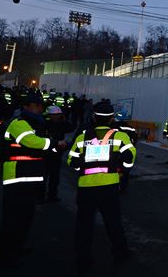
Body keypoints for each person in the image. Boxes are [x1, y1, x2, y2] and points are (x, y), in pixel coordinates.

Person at [0, 92, 65, 268]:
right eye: (37, 105)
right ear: (26, 106)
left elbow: (39, 147)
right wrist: (54, 144)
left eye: (41, 105)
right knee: (13, 220)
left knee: (25, 217)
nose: (41, 108)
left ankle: (17, 247)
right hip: (17, 178)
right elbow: (31, 142)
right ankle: (5, 257)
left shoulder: (34, 123)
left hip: (29, 177)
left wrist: (57, 147)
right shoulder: (18, 123)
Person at [67, 101, 136, 272]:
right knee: (113, 222)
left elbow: (72, 162)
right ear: (112, 118)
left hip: (86, 187)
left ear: (94, 117)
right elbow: (129, 160)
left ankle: (83, 259)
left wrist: (84, 169)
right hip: (109, 186)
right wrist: (119, 169)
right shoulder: (120, 136)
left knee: (84, 224)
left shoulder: (83, 137)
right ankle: (120, 252)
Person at [45, 105, 74, 202]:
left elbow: (70, 128)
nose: (57, 116)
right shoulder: (45, 123)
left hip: (57, 152)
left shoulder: (61, 123)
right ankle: (41, 195)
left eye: (59, 115)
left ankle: (51, 196)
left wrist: (64, 120)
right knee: (44, 175)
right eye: (55, 115)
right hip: (46, 152)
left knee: (54, 176)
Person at [111, 117, 137, 194]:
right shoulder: (131, 128)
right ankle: (123, 188)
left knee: (112, 169)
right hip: (127, 152)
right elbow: (135, 139)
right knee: (125, 172)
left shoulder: (114, 127)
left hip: (116, 152)